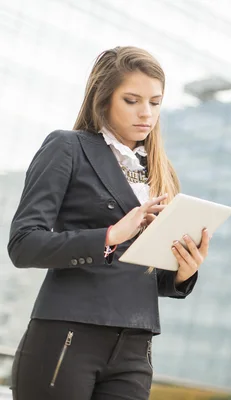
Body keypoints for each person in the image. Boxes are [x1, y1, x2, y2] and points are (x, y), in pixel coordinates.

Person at [6, 46, 210, 400]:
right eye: (132, 100)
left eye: (155, 102)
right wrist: (112, 235)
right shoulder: (67, 148)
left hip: (135, 344)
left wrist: (181, 272)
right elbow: (24, 244)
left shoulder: (161, 173)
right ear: (103, 99)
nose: (146, 113)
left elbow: (144, 270)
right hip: (67, 336)